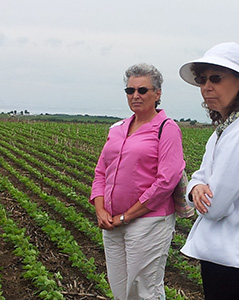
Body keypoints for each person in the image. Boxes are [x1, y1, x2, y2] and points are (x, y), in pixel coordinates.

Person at [178, 42, 239, 299]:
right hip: (225, 258)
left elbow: (213, 207)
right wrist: (195, 188)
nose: (206, 87)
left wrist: (199, 189)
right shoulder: (227, 127)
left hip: (236, 264)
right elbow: (200, 177)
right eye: (202, 80)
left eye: (216, 78)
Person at [90, 63, 185, 300]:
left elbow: (166, 181)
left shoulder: (167, 129)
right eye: (129, 90)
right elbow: (101, 171)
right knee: (120, 289)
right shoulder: (118, 128)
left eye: (142, 90)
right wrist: (100, 209)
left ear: (157, 93)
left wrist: (127, 216)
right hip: (112, 222)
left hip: (148, 222)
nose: (135, 96)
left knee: (145, 289)